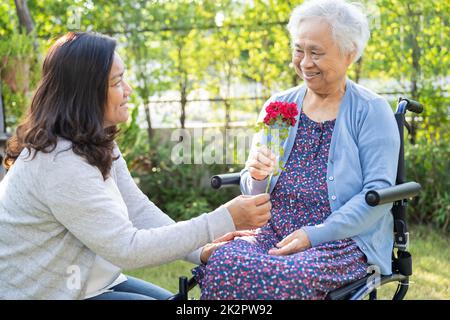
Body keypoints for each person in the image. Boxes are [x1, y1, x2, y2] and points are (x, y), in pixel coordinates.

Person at [0, 32, 272, 300]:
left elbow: (138, 211)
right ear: (85, 93)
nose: (128, 90)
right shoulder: (60, 163)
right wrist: (223, 219)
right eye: (117, 82)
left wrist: (201, 249)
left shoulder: (95, 142)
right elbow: (127, 248)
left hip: (88, 282)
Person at [193, 0, 400, 299]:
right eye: (298, 50)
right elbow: (253, 191)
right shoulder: (280, 105)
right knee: (223, 259)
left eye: (316, 52)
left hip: (340, 240)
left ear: (349, 53)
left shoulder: (371, 110)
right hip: (272, 231)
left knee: (291, 276)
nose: (304, 63)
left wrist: (313, 234)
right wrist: (257, 175)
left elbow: (377, 195)